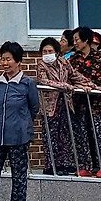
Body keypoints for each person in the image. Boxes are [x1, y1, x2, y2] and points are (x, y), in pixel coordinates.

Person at [0, 42, 40, 201]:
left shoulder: (27, 83)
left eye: (8, 59)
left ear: (18, 61)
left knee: (18, 174)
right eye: (3, 59)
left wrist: (22, 123)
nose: (5, 63)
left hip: (19, 135)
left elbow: (34, 108)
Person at [67, 26, 101, 176]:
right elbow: (69, 77)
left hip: (98, 104)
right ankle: (84, 166)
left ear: (86, 40)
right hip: (79, 103)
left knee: (100, 135)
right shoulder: (72, 59)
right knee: (81, 135)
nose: (75, 43)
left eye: (77, 39)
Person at [36, 38, 81, 175]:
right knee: (51, 135)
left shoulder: (64, 62)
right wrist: (64, 86)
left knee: (65, 135)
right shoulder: (41, 65)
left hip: (65, 104)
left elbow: (75, 76)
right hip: (50, 106)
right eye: (44, 51)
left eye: (50, 51)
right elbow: (44, 81)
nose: (47, 54)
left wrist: (90, 85)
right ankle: (50, 165)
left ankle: (64, 164)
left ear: (56, 52)